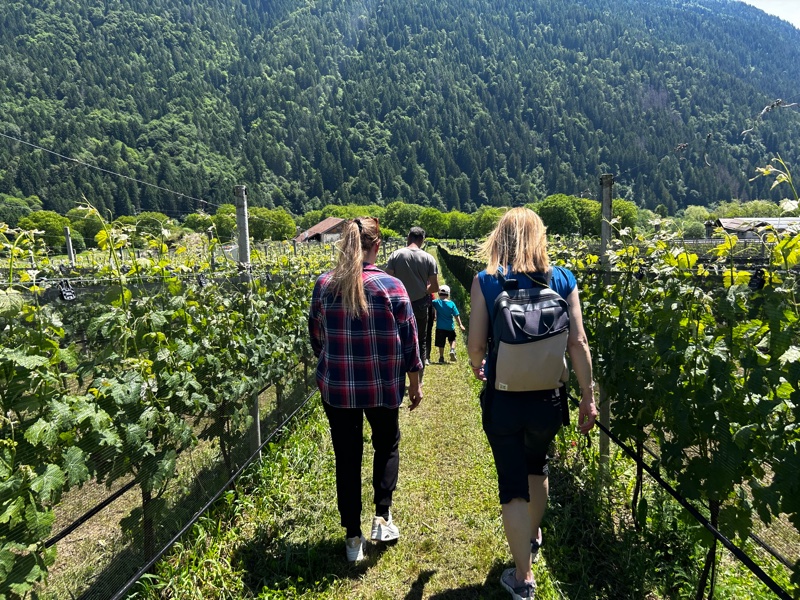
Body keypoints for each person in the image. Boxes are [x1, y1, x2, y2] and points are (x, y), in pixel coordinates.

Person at [466, 207, 597, 600]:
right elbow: (578, 342)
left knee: (512, 484)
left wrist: (478, 365)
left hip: (504, 399)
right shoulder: (563, 278)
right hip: (548, 398)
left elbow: (476, 346)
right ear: (541, 237)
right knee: (537, 466)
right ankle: (532, 537)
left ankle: (523, 578)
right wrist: (587, 396)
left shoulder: (486, 280)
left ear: (500, 238)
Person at [308, 217, 423, 563]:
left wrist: (334, 360)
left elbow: (317, 337)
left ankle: (352, 537)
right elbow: (410, 342)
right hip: (382, 386)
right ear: (377, 246)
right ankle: (382, 517)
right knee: (386, 444)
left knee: (347, 456)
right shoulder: (392, 287)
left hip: (339, 388)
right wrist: (414, 383)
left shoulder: (324, 285)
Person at [386, 227, 439, 379]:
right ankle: (419, 380)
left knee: (398, 340)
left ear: (408, 237)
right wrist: (423, 290)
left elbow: (387, 280)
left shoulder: (396, 255)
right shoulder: (429, 258)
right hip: (420, 304)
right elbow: (435, 287)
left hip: (398, 304)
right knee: (420, 340)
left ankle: (399, 378)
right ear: (422, 240)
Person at [431, 284, 465, 363]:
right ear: (448, 294)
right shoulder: (451, 304)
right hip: (450, 327)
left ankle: (441, 357)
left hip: (440, 327)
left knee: (441, 343)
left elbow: (430, 302)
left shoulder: (436, 302)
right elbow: (456, 315)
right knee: (452, 339)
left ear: (439, 293)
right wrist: (460, 324)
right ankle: (452, 350)